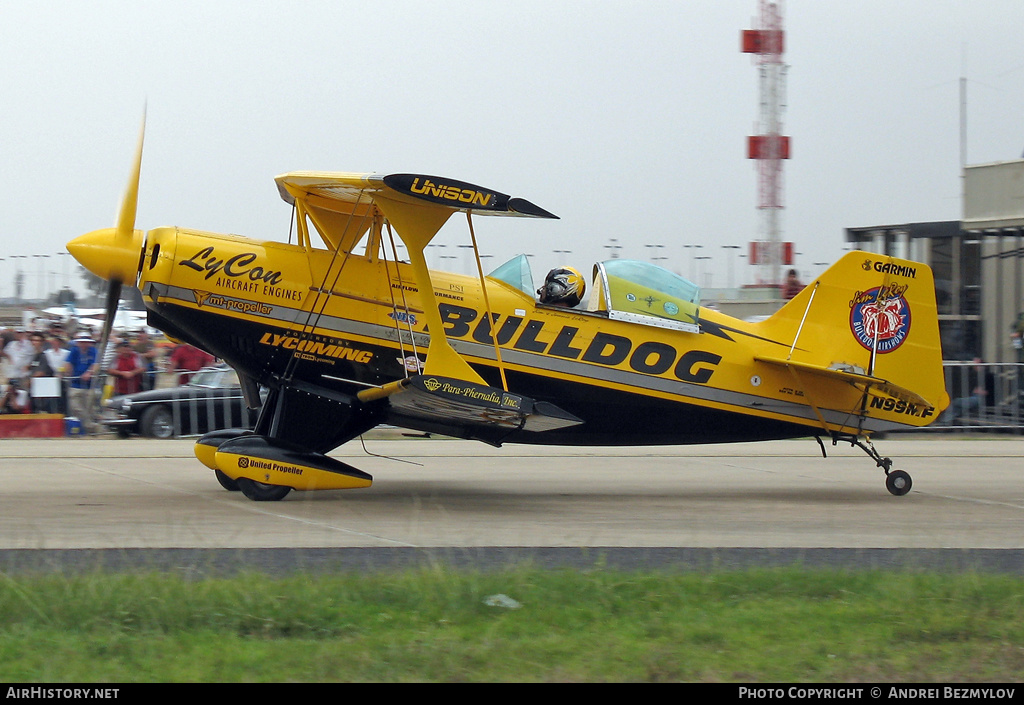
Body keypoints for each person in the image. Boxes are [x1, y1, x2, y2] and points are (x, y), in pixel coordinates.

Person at [64, 335, 99, 432]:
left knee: (89, 407)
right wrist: (67, 373)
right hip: (75, 384)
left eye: (85, 342)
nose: (83, 344)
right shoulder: (74, 351)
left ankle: (90, 428)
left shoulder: (94, 351)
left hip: (90, 385)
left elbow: (96, 364)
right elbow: (68, 363)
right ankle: (88, 426)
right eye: (81, 342)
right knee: (75, 407)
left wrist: (89, 372)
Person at [25, 332, 56, 413]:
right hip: (36, 388)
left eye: (37, 340)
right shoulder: (33, 356)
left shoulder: (45, 355)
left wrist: (31, 379)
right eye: (33, 340)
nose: (35, 343)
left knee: (43, 409)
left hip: (44, 387)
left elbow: (41, 371)